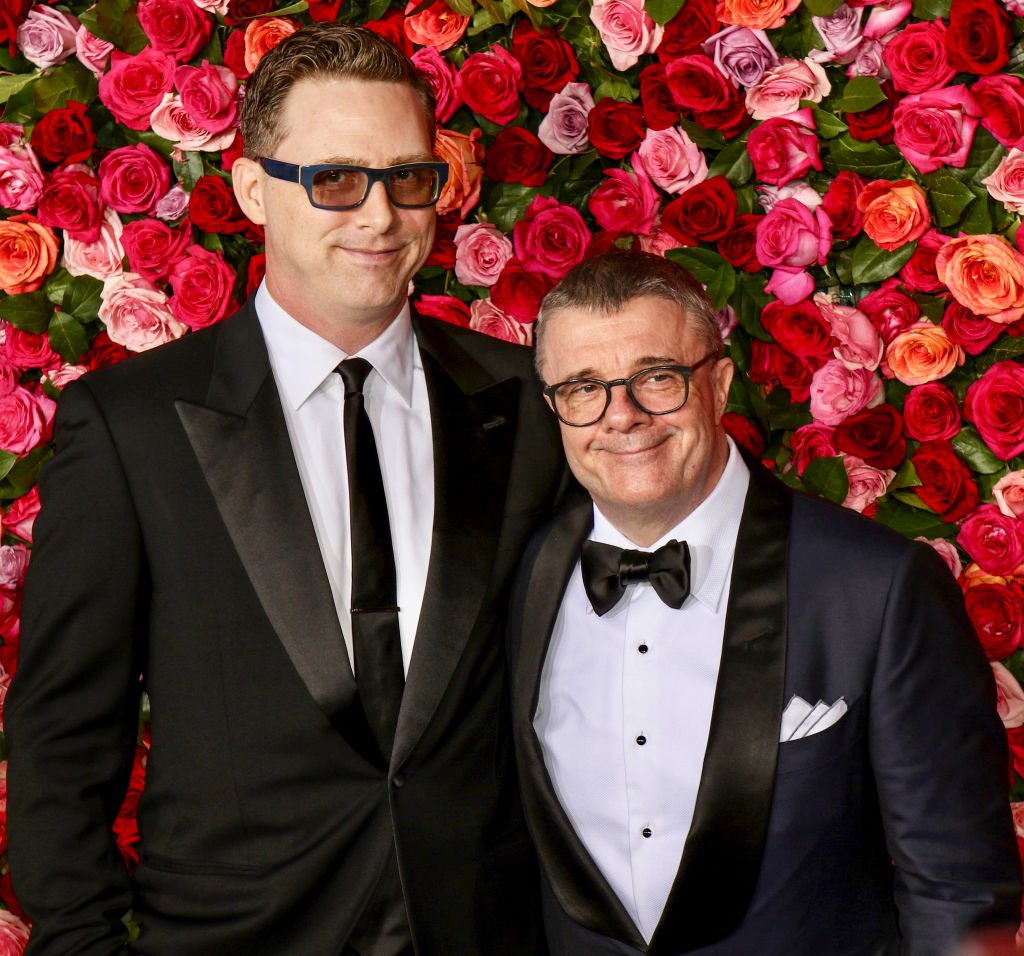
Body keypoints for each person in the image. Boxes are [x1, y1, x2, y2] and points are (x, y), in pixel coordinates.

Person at [6, 24, 565, 956]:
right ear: (252, 188)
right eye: (336, 180)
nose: (380, 217)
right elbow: (63, 736)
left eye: (408, 177)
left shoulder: (530, 403)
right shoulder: (132, 426)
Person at [507, 250, 1022, 956]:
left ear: (717, 385)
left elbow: (960, 889)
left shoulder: (878, 586)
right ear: (553, 407)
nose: (620, 417)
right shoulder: (524, 574)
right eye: (582, 388)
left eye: (657, 378)